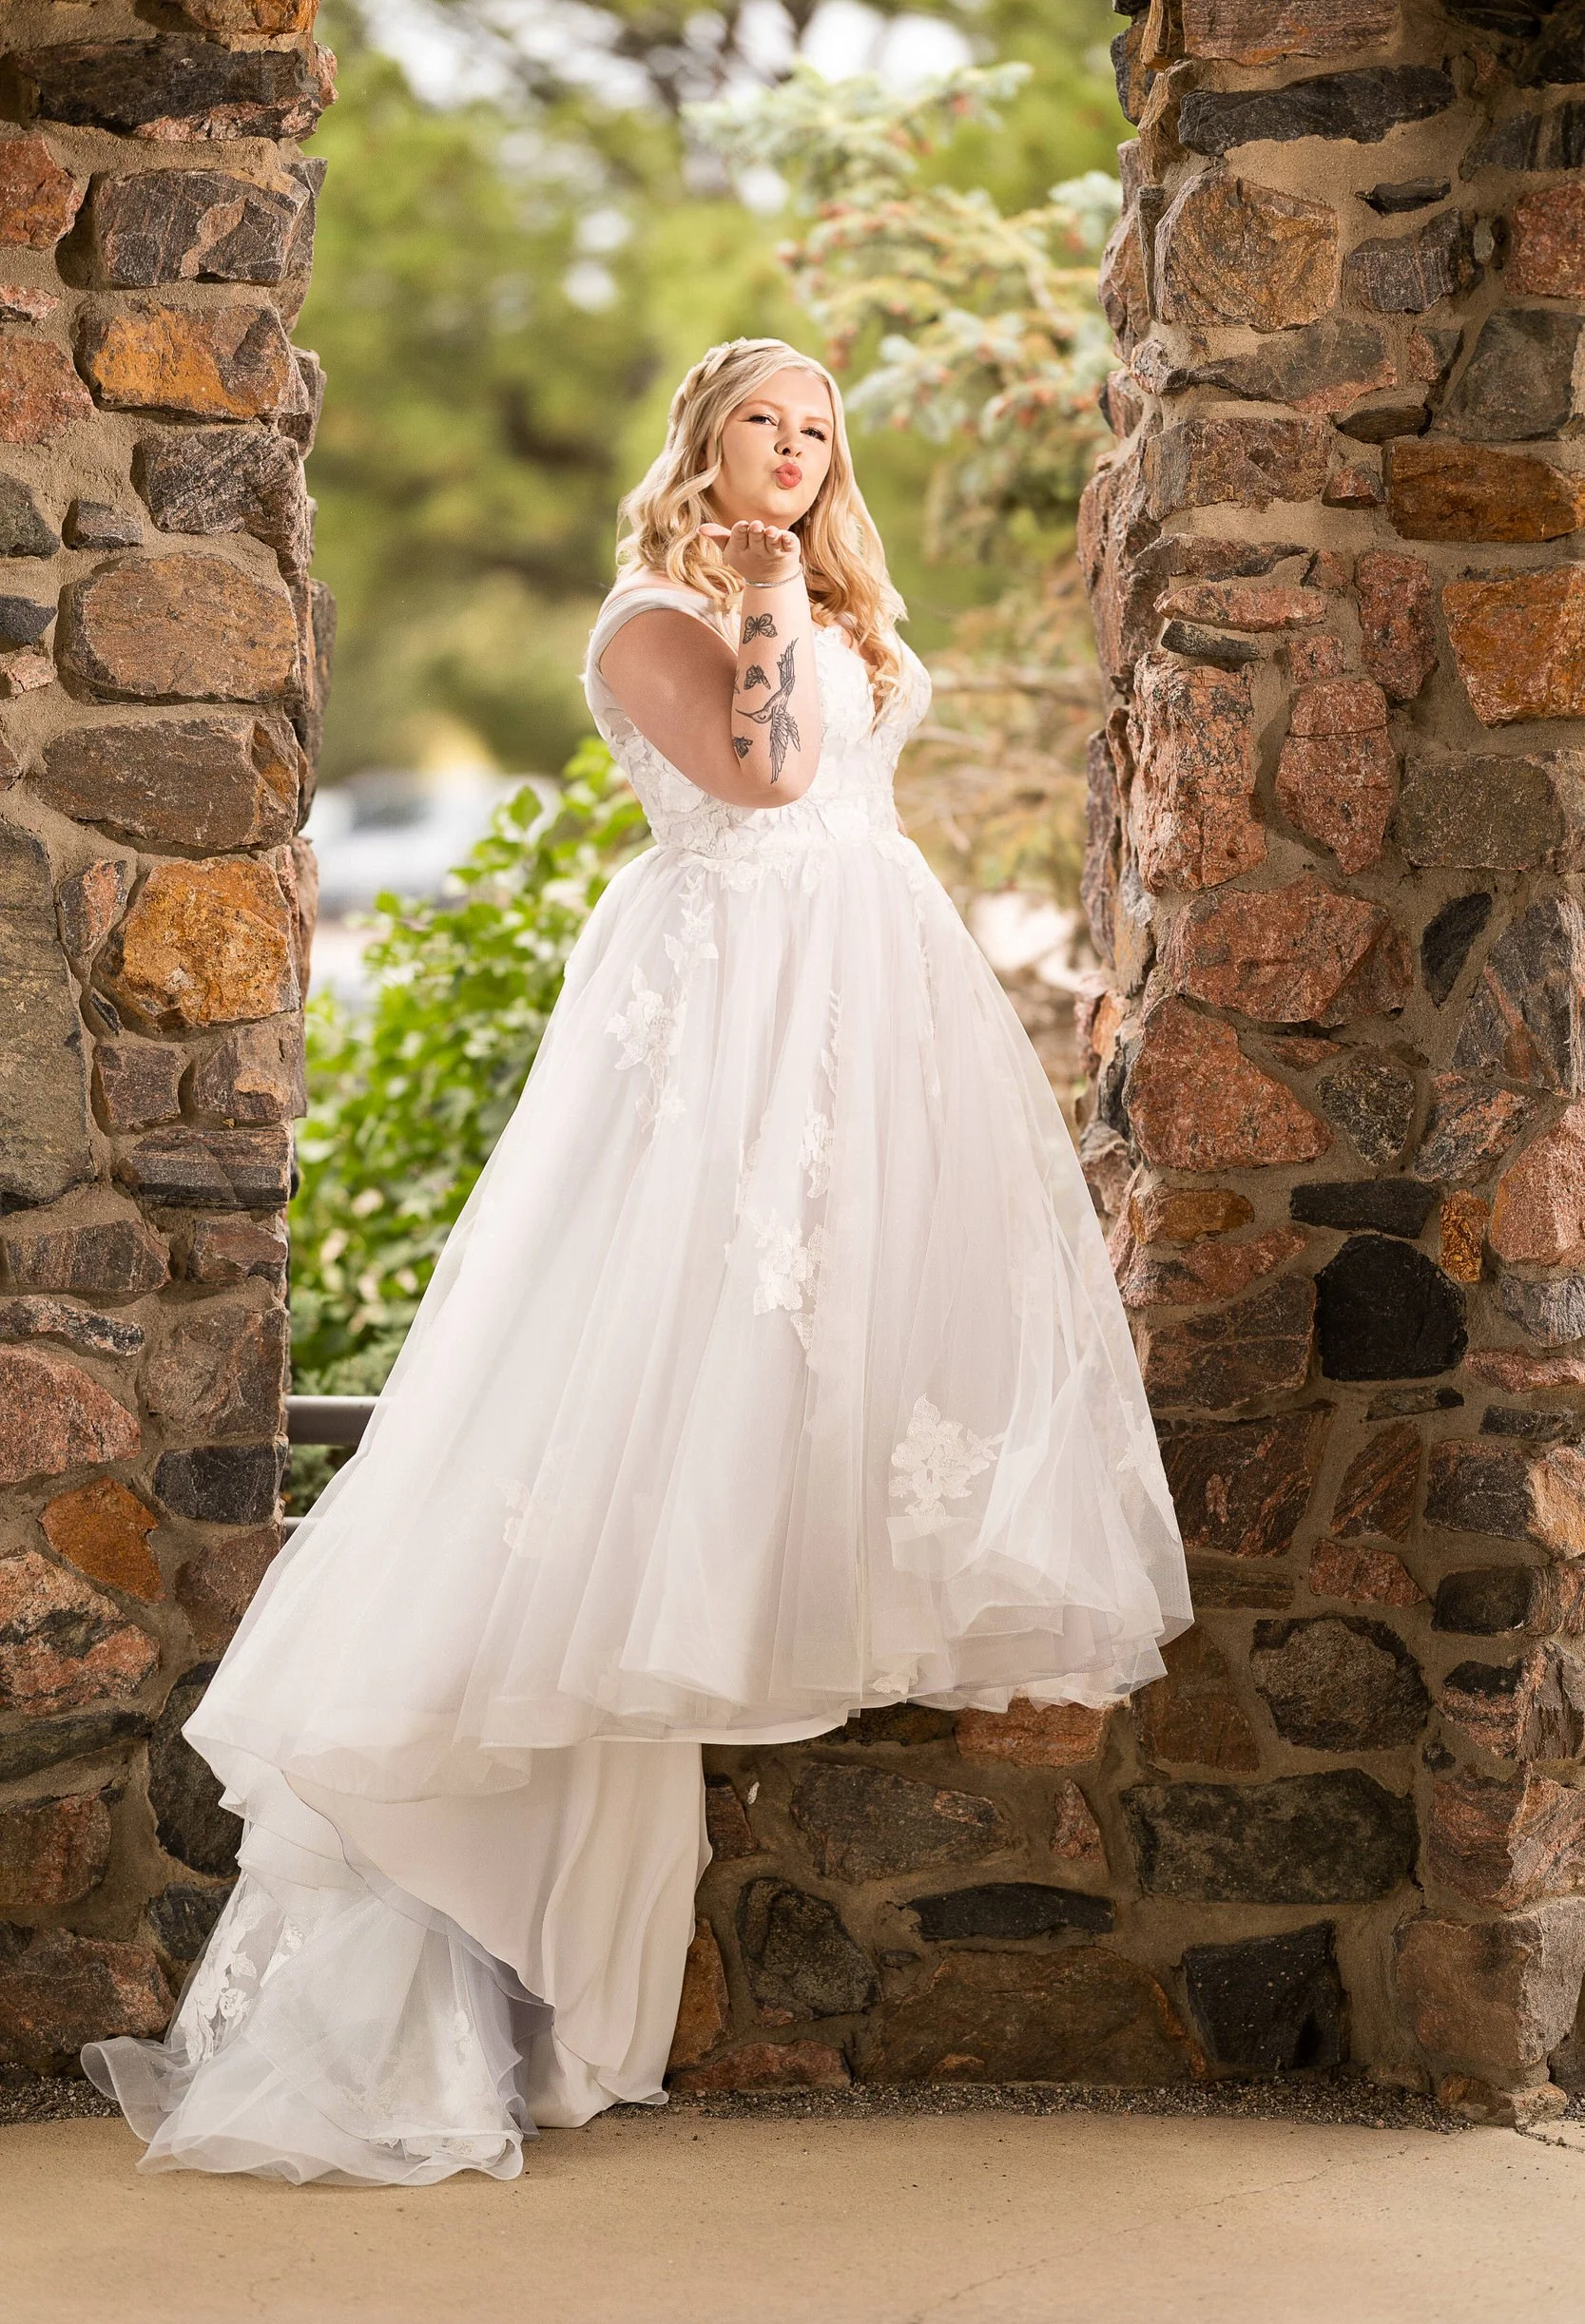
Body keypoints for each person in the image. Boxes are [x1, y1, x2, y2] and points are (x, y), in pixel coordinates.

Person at [84, 337, 1190, 2184]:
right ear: (702, 440)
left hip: (852, 1018)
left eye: (820, 424)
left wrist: (801, 596)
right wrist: (761, 601)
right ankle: (434, 1965)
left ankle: (585, 1960)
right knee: (615, 1421)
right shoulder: (650, 616)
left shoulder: (817, 586)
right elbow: (759, 781)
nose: (797, 447)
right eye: (765, 418)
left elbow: (847, 777)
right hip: (719, 1031)